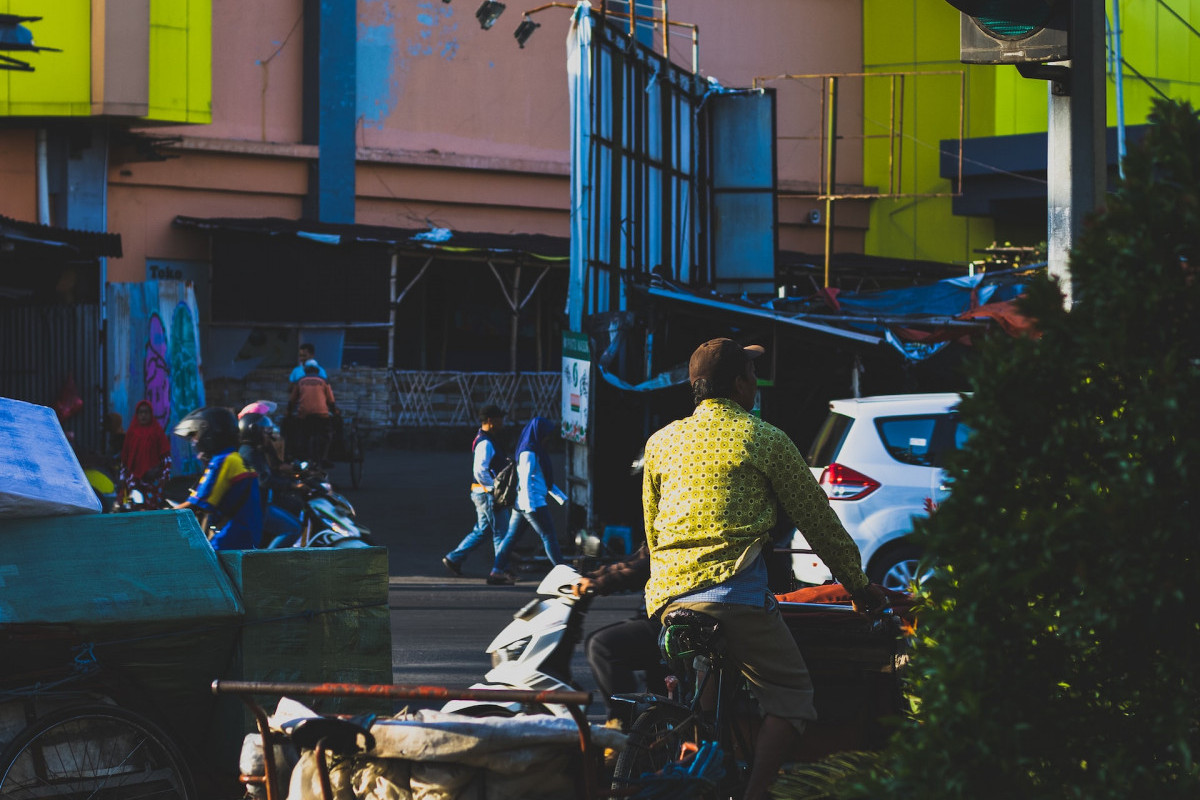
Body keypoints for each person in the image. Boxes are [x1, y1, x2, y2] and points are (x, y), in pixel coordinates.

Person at [641, 338, 887, 800]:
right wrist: (856, 584)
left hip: (669, 601)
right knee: (793, 699)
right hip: (733, 597)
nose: (755, 383)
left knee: (705, 692)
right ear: (739, 384)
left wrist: (665, 588)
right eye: (751, 375)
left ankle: (705, 768)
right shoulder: (763, 437)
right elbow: (818, 520)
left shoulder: (662, 442)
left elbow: (653, 530)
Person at [572, 543, 667, 725]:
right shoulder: (662, 523)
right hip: (658, 614)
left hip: (672, 619)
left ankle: (622, 727)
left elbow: (649, 564)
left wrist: (600, 583)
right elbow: (637, 560)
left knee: (603, 646)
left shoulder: (680, 522)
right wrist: (595, 576)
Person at [172, 406, 263, 551]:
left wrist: (160, 516)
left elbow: (197, 504)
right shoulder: (236, 458)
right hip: (247, 538)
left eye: (195, 435)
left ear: (209, 433)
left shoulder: (222, 460)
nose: (194, 441)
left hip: (228, 540)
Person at [490, 416, 568, 584]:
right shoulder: (529, 451)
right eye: (546, 434)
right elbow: (524, 481)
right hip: (532, 503)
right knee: (549, 536)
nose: (548, 437)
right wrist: (531, 507)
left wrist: (560, 496)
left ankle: (496, 571)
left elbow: (541, 479)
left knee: (511, 538)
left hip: (524, 503)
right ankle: (564, 573)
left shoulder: (534, 449)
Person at [442, 404, 511, 579]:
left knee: (483, 530)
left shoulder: (486, 439)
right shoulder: (486, 442)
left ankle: (454, 558)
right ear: (490, 421)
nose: (503, 421)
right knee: (500, 532)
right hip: (486, 494)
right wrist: (493, 489)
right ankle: (501, 568)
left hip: (481, 492)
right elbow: (480, 470)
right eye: (500, 418)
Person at [117, 399, 172, 509]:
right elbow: (125, 457)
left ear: (151, 414)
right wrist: (122, 477)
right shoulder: (131, 432)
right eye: (140, 412)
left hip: (153, 478)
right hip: (133, 478)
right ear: (137, 414)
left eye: (146, 412)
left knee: (152, 508)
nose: (143, 415)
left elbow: (165, 456)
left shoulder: (157, 431)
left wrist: (165, 476)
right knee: (132, 508)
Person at [288, 360, 337, 465]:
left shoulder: (300, 381)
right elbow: (331, 400)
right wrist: (335, 412)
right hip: (321, 414)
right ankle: (324, 457)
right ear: (317, 370)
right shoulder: (324, 381)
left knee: (301, 435)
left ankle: (301, 457)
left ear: (305, 371)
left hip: (304, 415)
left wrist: (288, 412)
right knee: (328, 434)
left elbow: (292, 400)